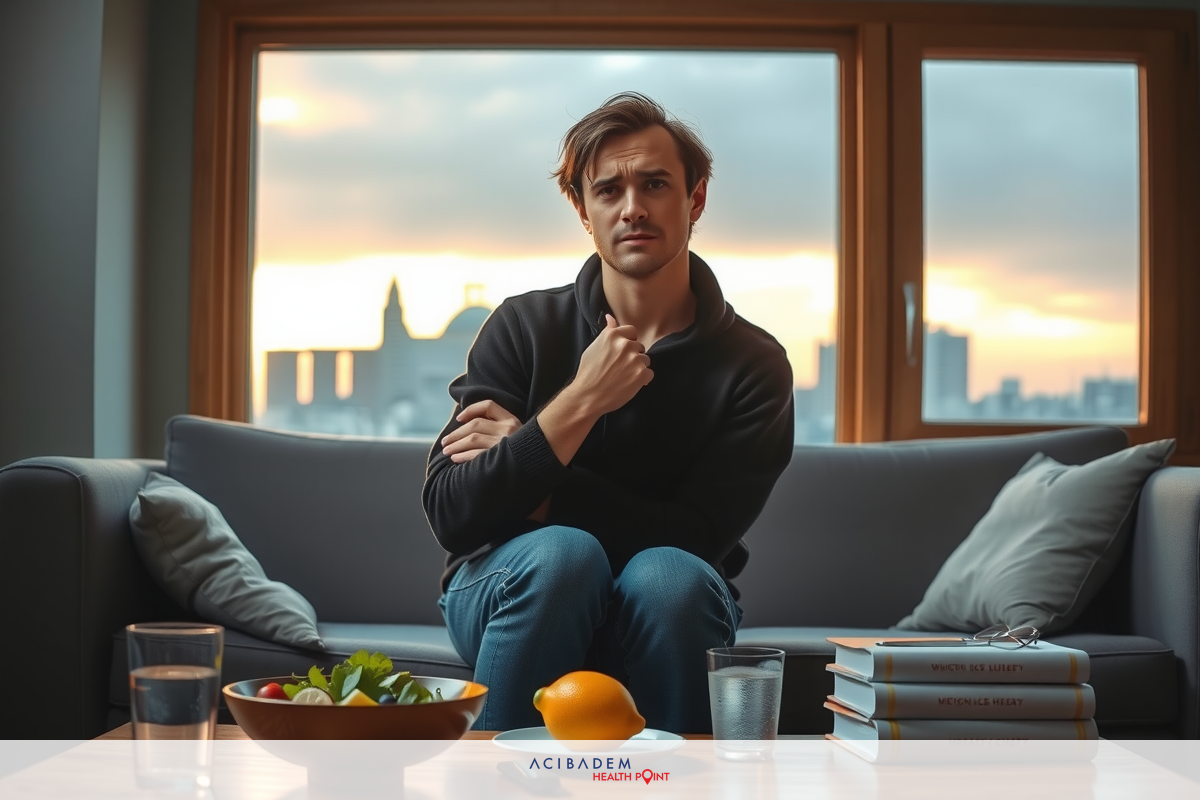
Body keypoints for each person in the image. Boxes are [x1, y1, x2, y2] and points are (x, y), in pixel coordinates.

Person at [422, 92, 794, 733]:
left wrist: (537, 476)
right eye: (608, 190)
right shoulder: (522, 326)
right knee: (563, 557)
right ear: (583, 211)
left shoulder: (754, 365)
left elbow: (696, 538)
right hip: (513, 589)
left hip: (669, 604)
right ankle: (496, 778)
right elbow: (455, 514)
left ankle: (678, 779)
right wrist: (582, 398)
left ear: (695, 199)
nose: (633, 208)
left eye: (655, 184)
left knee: (670, 576)